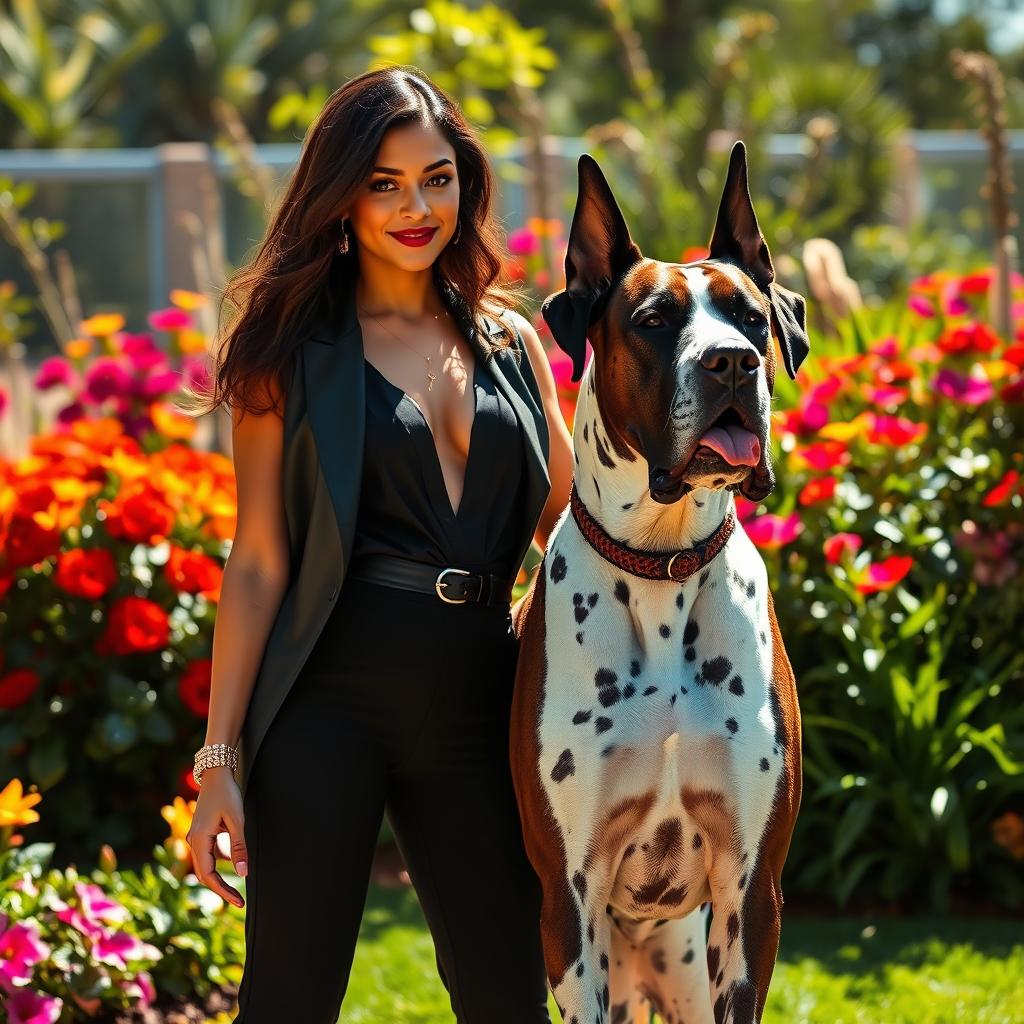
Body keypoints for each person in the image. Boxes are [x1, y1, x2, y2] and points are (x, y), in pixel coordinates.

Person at [180, 66, 574, 1023]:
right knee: (289, 998)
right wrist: (219, 759)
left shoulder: (512, 343)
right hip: (331, 696)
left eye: (437, 179)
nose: (416, 207)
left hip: (483, 698)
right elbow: (261, 560)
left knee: (509, 998)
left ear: (466, 186)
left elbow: (567, 524)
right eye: (385, 183)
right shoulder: (289, 351)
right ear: (342, 193)